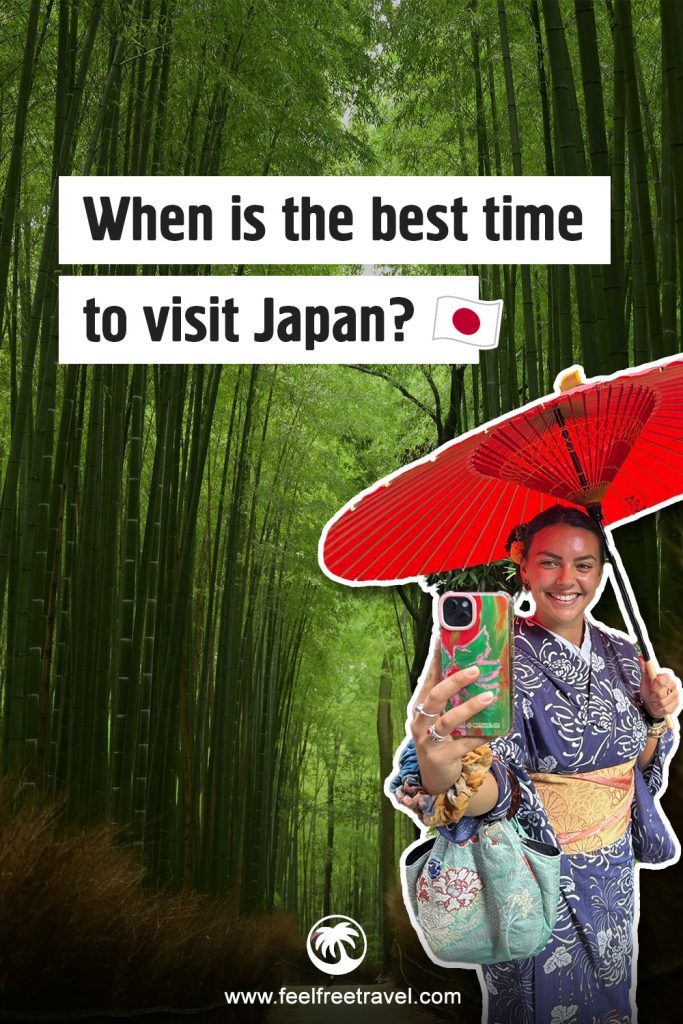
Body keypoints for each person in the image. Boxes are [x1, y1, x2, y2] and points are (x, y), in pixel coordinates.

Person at [390, 505, 680, 1024]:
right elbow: (494, 785)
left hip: (612, 879)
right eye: (550, 562)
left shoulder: (619, 650)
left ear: (602, 571)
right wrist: (441, 767)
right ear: (523, 566)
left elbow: (630, 767)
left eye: (584, 565)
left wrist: (655, 716)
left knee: (613, 1005)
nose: (568, 579)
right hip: (533, 874)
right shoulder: (495, 656)